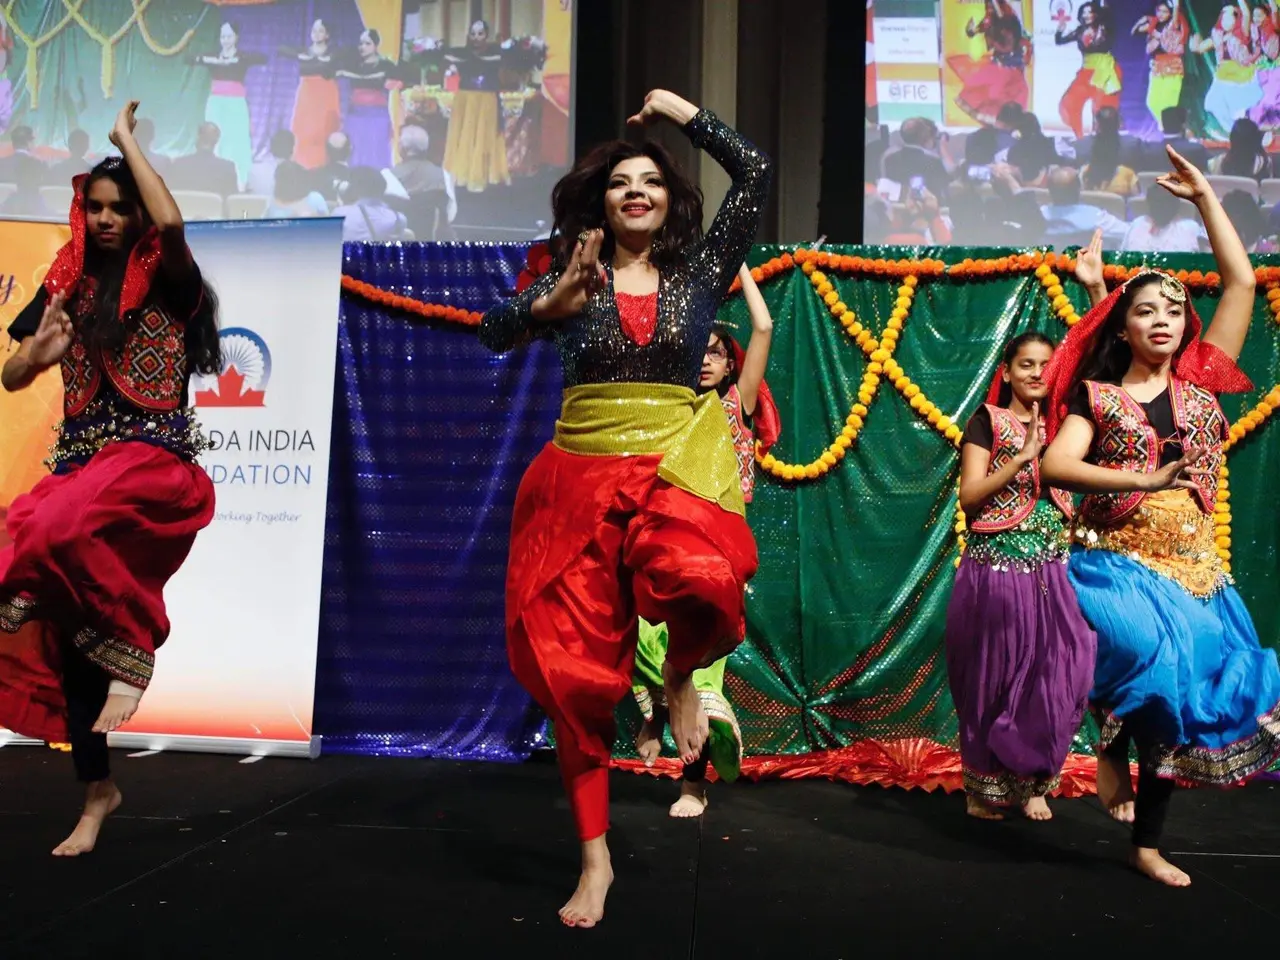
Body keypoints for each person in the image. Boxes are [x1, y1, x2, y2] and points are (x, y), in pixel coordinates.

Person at [478, 89, 770, 927]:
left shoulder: (703, 272)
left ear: (673, 200)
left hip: (675, 468)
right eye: (620, 183)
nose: (636, 190)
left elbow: (753, 169)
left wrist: (681, 112)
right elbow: (490, 334)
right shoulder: (570, 273)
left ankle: (679, 674)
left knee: (707, 581)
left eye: (651, 180)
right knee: (573, 678)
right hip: (577, 479)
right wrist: (544, 309)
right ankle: (595, 859)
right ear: (599, 202)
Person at [1041, 144, 1280, 887]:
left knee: (1178, 711)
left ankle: (1146, 842)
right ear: (1123, 328)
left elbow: (1241, 278)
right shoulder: (1101, 397)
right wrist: (1141, 473)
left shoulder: (1206, 381)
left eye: (1176, 310)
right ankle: (1111, 738)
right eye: (1146, 310)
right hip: (1117, 565)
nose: (1165, 320)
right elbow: (1055, 465)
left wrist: (1208, 198)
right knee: (1151, 665)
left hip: (1199, 572)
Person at [0, 101, 221, 857]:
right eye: (92, 208)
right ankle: (98, 791)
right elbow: (11, 373)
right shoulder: (66, 286)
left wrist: (128, 143)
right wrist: (35, 357)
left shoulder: (169, 279)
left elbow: (174, 225)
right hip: (83, 473)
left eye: (118, 208)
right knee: (56, 624)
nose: (103, 220)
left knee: (57, 528)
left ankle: (136, 638)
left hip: (153, 470)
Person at [632, 264, 779, 818]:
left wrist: (733, 262)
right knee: (639, 644)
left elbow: (761, 328)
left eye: (717, 351)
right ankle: (651, 713)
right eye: (697, 351)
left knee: (695, 661)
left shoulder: (734, 407)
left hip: (716, 553)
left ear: (730, 362)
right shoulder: (666, 413)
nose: (707, 360)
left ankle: (693, 783)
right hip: (661, 544)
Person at [947, 320, 1099, 821]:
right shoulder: (987, 422)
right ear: (1007, 373)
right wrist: (1019, 460)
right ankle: (982, 788)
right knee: (993, 677)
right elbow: (970, 497)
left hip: (1053, 568)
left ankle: (1034, 777)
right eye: (1025, 365)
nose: (1036, 373)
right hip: (996, 567)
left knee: (1060, 672)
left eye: (1044, 366)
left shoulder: (1067, 432)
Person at [190, 21, 265, 191]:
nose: (225, 40)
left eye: (229, 36)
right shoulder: (214, 55)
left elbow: (262, 58)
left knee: (237, 139)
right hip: (216, 102)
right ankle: (214, 178)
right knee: (214, 137)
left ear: (236, 37)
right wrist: (206, 59)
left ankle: (240, 181)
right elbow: (189, 58)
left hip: (235, 103)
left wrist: (236, 60)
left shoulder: (242, 56)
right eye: (223, 36)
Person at [280, 18, 339, 169]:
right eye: (314, 30)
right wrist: (299, 56)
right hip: (307, 95)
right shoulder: (304, 51)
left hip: (326, 94)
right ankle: (302, 164)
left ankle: (323, 166)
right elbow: (281, 49)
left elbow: (346, 58)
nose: (316, 34)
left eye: (321, 31)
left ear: (327, 35)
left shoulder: (333, 53)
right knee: (304, 129)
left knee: (323, 130)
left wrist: (323, 60)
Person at [1133, 1, 1189, 128]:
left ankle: (1170, 129)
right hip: (1157, 66)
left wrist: (1176, 6)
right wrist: (1142, 20)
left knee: (1169, 103)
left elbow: (1175, 17)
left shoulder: (1174, 24)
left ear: (1170, 13)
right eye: (1159, 11)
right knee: (1151, 102)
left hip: (1173, 66)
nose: (1161, 14)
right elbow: (1134, 32)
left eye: (1165, 11)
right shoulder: (1153, 24)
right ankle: (1167, 126)